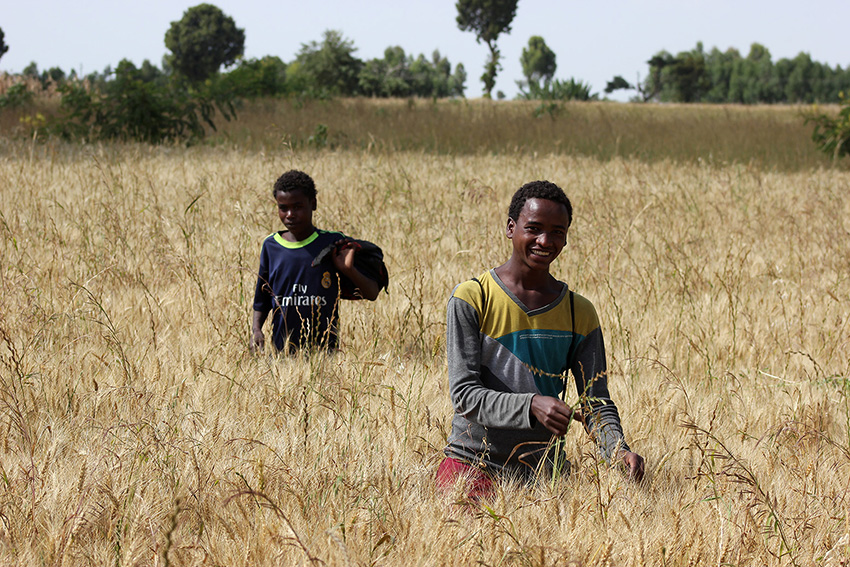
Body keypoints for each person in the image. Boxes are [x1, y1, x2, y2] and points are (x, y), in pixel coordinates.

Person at [438, 180, 644, 497]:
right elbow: (465, 396)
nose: (545, 241)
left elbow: (595, 400)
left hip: (545, 475)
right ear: (511, 228)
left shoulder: (579, 312)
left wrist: (616, 450)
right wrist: (532, 405)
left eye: (557, 232)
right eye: (533, 228)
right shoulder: (473, 297)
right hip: (472, 465)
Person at [251, 170, 382, 353]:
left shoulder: (333, 243)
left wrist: (348, 269)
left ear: (313, 204)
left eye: (297, 207)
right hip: (282, 353)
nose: (290, 214)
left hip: (325, 352)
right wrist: (256, 330)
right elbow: (262, 297)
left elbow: (372, 293)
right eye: (283, 207)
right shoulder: (271, 246)